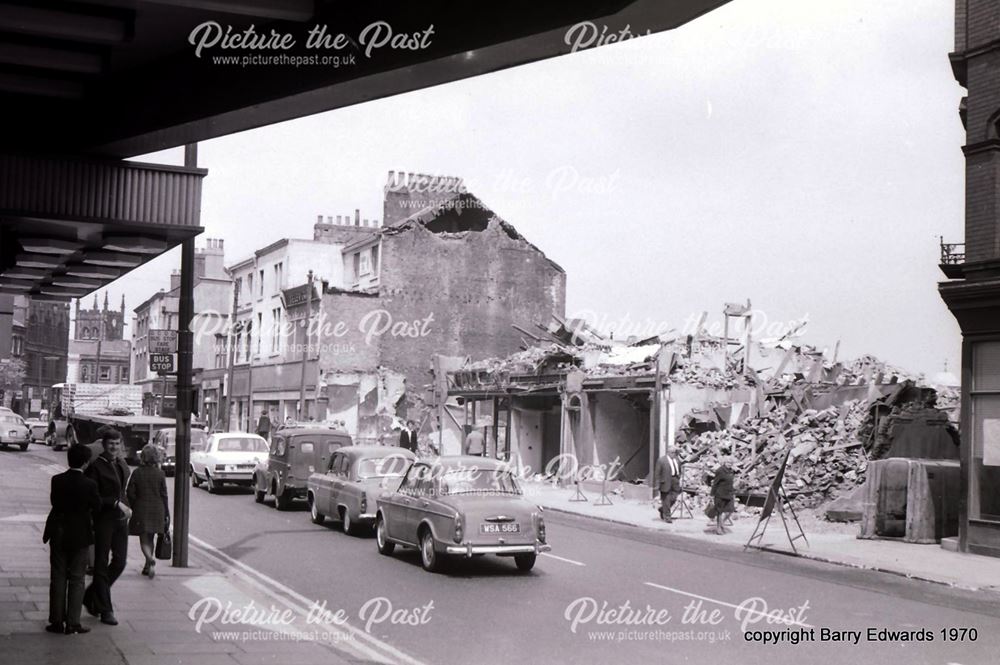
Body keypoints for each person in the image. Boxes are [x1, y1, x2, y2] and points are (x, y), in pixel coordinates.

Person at [44, 445, 101, 635]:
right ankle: (73, 622)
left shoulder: (57, 480)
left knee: (58, 576)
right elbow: (97, 507)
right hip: (80, 535)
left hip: (59, 531)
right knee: (77, 578)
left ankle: (56, 621)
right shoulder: (90, 484)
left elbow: (54, 503)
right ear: (86, 462)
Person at [83, 428, 132, 626]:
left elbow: (123, 489)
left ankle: (91, 595)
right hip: (104, 519)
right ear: (104, 445)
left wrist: (128, 507)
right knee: (101, 564)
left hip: (120, 520)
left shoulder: (121, 463)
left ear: (121, 445)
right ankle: (105, 610)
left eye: (117, 443)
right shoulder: (96, 467)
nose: (114, 447)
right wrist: (114, 503)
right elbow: (92, 497)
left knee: (120, 561)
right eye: (110, 443)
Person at [127, 444, 170, 579]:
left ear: (143, 457)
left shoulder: (137, 473)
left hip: (141, 508)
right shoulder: (160, 474)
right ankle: (148, 566)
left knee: (144, 538)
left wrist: (134, 504)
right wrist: (166, 513)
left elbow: (130, 492)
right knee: (151, 537)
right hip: (158, 508)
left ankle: (149, 558)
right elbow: (164, 494)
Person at [654, 445, 683, 523]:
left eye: (675, 452)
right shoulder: (661, 460)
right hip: (665, 481)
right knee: (666, 499)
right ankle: (667, 517)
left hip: (675, 480)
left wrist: (678, 477)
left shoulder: (677, 460)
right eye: (672, 452)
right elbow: (657, 473)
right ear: (668, 452)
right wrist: (658, 483)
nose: (674, 454)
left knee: (674, 498)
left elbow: (679, 470)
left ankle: (662, 509)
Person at [710, 457, 737, 535]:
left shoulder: (731, 471)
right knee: (720, 512)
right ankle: (718, 528)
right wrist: (712, 495)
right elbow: (715, 483)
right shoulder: (720, 471)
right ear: (724, 462)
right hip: (720, 494)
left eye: (731, 463)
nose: (729, 464)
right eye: (728, 462)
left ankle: (722, 524)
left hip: (729, 493)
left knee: (730, 510)